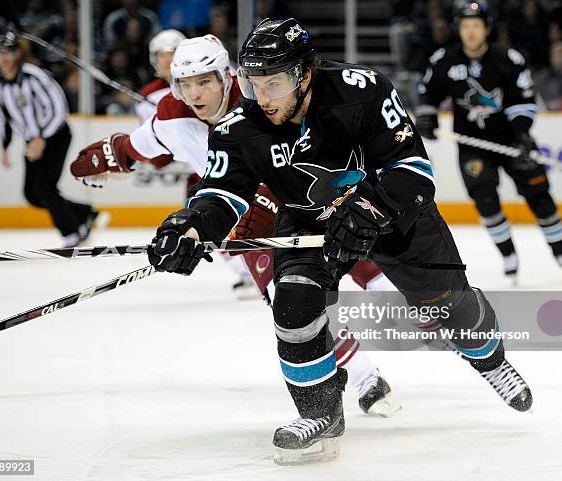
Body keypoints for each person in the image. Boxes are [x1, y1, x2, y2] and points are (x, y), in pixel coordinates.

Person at [144, 18, 533, 464]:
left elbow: (414, 172)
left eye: (274, 84)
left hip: (396, 216)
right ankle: (320, 413)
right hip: (308, 224)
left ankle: (490, 360)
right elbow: (220, 192)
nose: (263, 99)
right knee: (293, 308)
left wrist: (368, 210)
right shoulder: (239, 126)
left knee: (449, 305)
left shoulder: (361, 90)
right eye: (254, 85)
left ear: (304, 74)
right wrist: (191, 228)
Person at [70, 34, 400, 419]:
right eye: (185, 84)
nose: (195, 93)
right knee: (291, 306)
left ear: (226, 77)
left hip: (305, 202)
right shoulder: (173, 117)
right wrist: (103, 158)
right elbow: (134, 148)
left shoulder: (262, 101)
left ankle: (461, 335)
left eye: (205, 81)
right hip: (244, 220)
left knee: (379, 281)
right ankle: (366, 380)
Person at [415, 2, 562, 279]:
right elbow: (427, 92)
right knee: (485, 199)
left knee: (540, 196)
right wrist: (427, 116)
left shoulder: (509, 57)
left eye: (476, 25)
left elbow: (523, 99)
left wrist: (523, 133)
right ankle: (508, 256)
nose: (471, 32)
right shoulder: (444, 59)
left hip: (512, 141)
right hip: (472, 144)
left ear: (487, 29)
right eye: (466, 26)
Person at [0, 32, 99, 247]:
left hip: (56, 135)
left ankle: (71, 233)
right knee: (31, 193)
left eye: (8, 52)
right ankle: (84, 213)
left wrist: (43, 137)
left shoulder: (34, 76)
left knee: (44, 187)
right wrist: (4, 146)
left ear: (17, 54)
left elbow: (59, 108)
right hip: (31, 142)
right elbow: (3, 118)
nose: (3, 58)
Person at [136, 29, 186, 122]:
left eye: (171, 54)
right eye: (162, 55)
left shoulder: (195, 87)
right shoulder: (148, 93)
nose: (167, 60)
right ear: (154, 60)